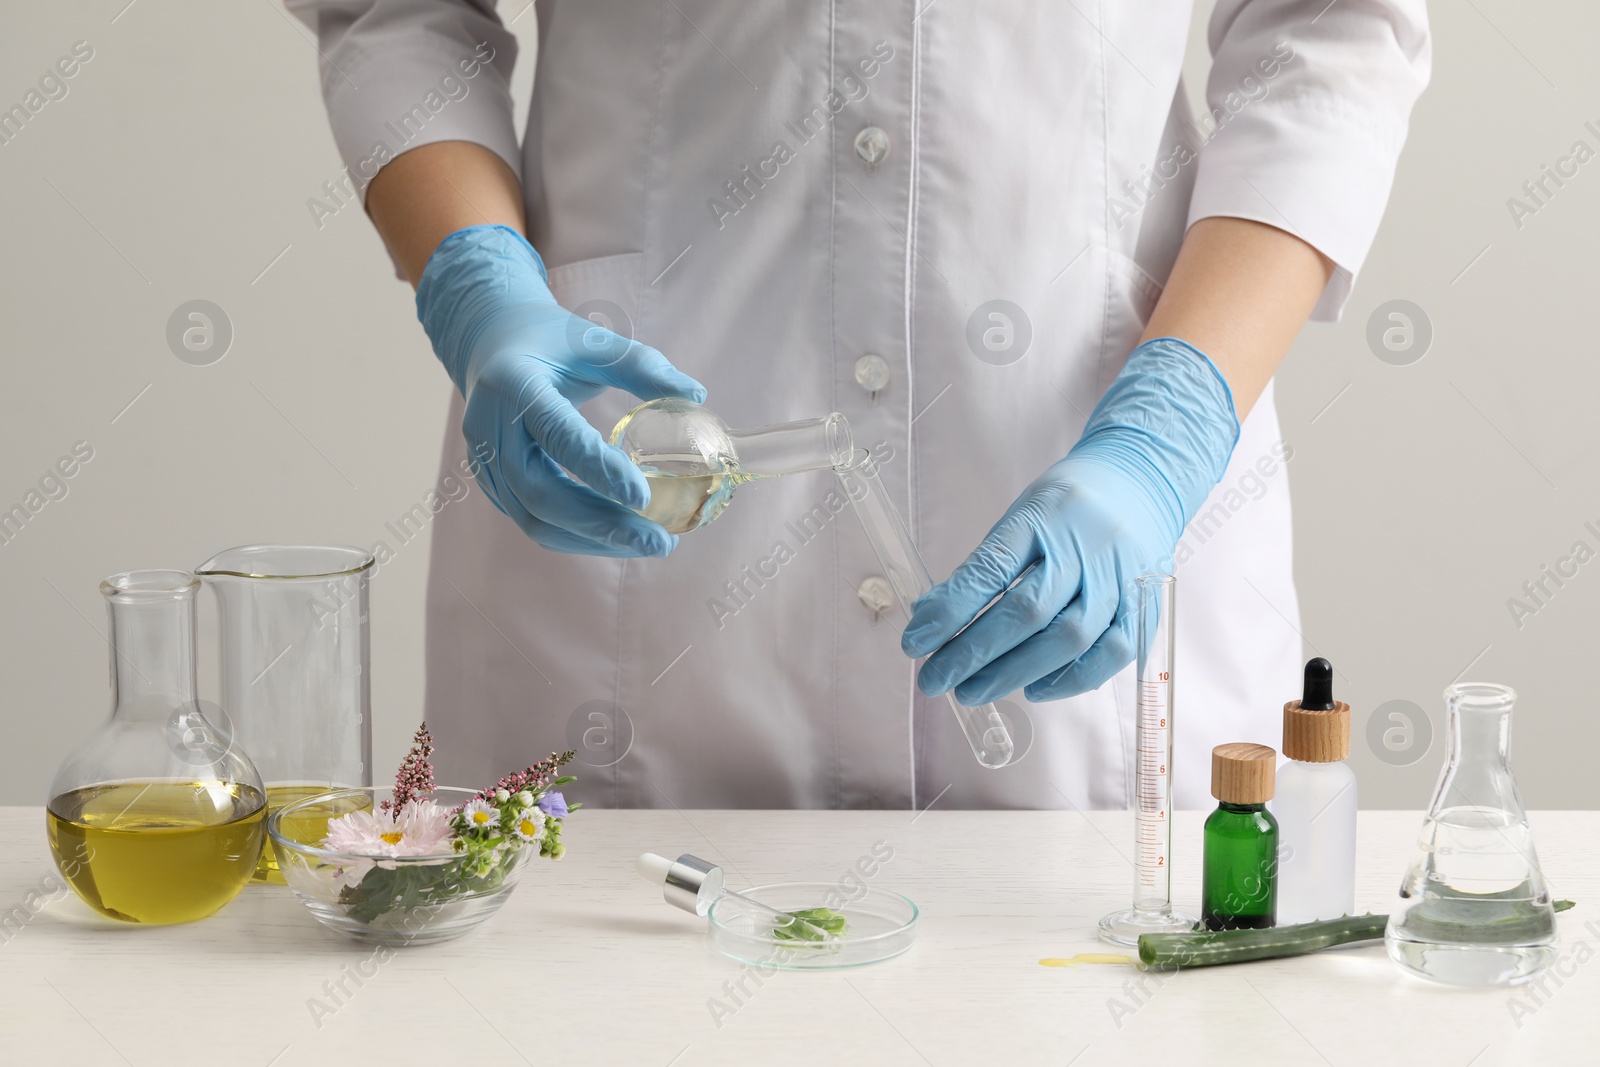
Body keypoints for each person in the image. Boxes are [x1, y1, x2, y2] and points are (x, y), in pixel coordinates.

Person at [288, 0, 1429, 809]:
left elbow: (1325, 26)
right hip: (635, 580)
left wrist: (1171, 422)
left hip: (1088, 517)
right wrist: (478, 282)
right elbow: (393, 8)